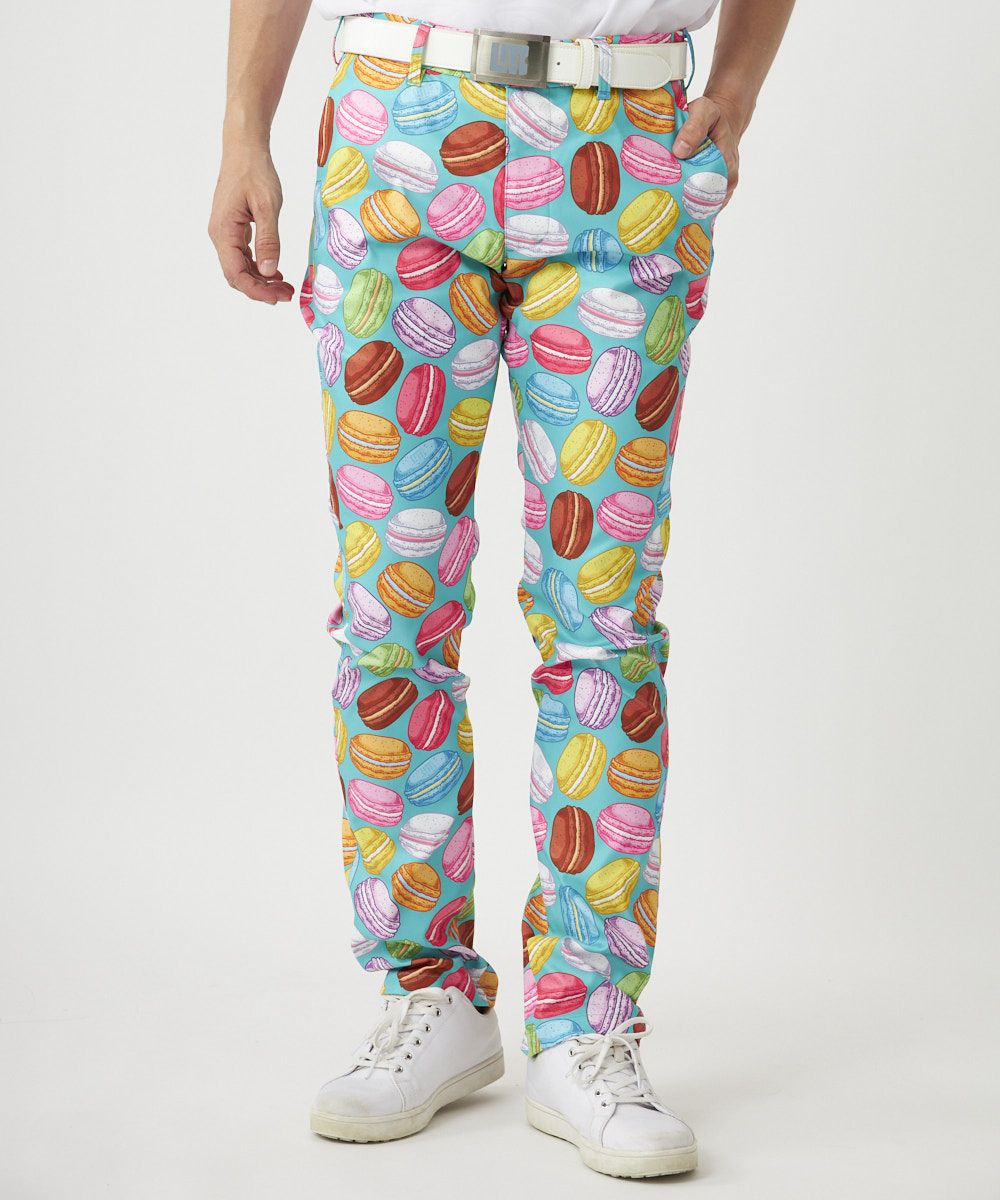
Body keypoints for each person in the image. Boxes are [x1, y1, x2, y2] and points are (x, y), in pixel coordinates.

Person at [210, 0, 793, 1178]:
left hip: (626, 141)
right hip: (399, 136)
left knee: (604, 622)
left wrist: (736, 87)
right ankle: (428, 993)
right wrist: (242, 131)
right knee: (391, 612)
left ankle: (585, 1027)